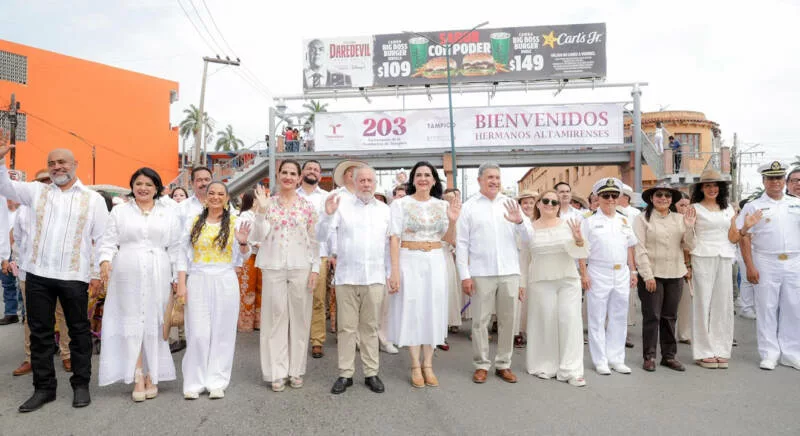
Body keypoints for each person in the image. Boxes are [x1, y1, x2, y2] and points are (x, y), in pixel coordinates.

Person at [0, 140, 109, 413]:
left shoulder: (92, 199)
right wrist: (1, 162)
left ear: (75, 166)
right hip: (38, 275)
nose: (57, 166)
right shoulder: (36, 192)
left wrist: (97, 272)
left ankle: (81, 385)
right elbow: (5, 187)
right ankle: (44, 389)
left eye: (62, 162)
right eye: (52, 162)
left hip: (74, 276)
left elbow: (103, 238)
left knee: (79, 332)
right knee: (40, 334)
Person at [97, 168, 181, 400]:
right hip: (127, 272)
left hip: (159, 271)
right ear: (132, 186)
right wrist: (105, 261)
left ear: (157, 189)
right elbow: (108, 241)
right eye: (138, 183)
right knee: (131, 322)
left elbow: (175, 247)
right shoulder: (120, 211)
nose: (143, 188)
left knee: (155, 321)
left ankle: (153, 374)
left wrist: (176, 278)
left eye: (148, 184)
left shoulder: (168, 214)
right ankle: (137, 374)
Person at [318, 165, 391, 394]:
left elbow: (390, 245)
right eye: (362, 180)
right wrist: (327, 215)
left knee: (370, 328)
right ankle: (345, 374)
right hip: (347, 276)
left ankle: (371, 373)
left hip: (375, 277)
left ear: (375, 183)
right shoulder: (341, 206)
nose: (366, 184)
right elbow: (322, 236)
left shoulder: (384, 210)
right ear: (354, 182)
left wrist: (391, 274)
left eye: (370, 180)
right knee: (346, 329)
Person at [457, 162, 531, 385]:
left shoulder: (510, 204)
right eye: (489, 177)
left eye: (497, 178)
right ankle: (481, 365)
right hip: (481, 273)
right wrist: (464, 275)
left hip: (509, 271)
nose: (494, 181)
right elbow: (461, 244)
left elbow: (529, 238)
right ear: (479, 180)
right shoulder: (469, 207)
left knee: (509, 320)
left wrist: (519, 222)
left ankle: (503, 364)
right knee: (480, 321)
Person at [176, 181, 251, 399]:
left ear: (227, 198)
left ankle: (217, 381)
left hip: (225, 280)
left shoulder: (236, 222)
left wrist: (244, 244)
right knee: (198, 332)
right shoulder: (193, 221)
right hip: (198, 279)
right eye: (212, 193)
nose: (216, 197)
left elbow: (244, 256)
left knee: (222, 332)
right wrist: (181, 283)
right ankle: (194, 381)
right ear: (205, 196)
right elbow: (182, 255)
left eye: (220, 194)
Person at [250, 160, 319, 392]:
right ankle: (276, 371)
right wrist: (260, 212)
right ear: (277, 176)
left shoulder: (308, 206)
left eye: (293, 173)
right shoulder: (267, 204)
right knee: (274, 318)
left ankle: (296, 370)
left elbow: (315, 240)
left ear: (299, 178)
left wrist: (316, 269)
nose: (288, 177)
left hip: (301, 266)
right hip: (273, 266)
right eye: (284, 173)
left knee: (299, 319)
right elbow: (257, 236)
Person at [388, 161, 460, 388]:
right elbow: (394, 238)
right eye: (418, 175)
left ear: (433, 180)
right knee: (412, 310)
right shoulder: (400, 205)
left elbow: (449, 239)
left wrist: (453, 221)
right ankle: (414, 365)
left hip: (435, 261)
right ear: (412, 179)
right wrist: (395, 271)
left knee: (433, 309)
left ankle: (428, 364)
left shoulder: (442, 205)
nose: (423, 178)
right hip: (409, 259)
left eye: (427, 175)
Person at [737, 160, 800, 371]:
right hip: (765, 260)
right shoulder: (753, 206)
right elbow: (743, 237)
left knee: (794, 308)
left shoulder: (796, 203)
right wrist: (749, 266)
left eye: (779, 178)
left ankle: (791, 353)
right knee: (766, 307)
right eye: (771, 178)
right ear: (764, 181)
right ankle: (769, 353)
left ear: (784, 181)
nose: (776, 182)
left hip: (794, 260)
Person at [10, 170, 71, 377]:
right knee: (32, 317)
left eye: (49, 181)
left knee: (63, 314)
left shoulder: (64, 208)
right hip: (30, 271)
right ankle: (30, 358)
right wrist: (20, 263)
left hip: (60, 270)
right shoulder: (24, 210)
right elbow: (18, 239)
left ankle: (66, 354)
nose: (46, 185)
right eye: (43, 182)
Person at [524, 190, 588, 386]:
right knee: (546, 322)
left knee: (570, 321)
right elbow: (523, 259)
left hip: (568, 280)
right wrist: (521, 284)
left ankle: (571, 369)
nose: (550, 204)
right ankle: (546, 364)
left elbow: (580, 252)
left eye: (555, 202)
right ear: (538, 204)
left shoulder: (569, 225)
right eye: (546, 201)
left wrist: (578, 238)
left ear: (559, 206)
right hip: (540, 281)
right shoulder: (529, 228)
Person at [634, 181, 696, 372]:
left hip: (675, 273)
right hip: (652, 274)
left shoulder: (679, 219)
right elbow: (639, 248)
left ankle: (669, 356)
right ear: (651, 198)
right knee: (652, 316)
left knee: (670, 317)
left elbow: (689, 246)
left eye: (667, 196)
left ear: (672, 200)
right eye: (659, 195)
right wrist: (647, 275)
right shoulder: (642, 218)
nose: (663, 198)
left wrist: (690, 227)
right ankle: (650, 356)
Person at [579, 178, 638, 375]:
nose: (611, 199)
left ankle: (616, 358)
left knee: (619, 317)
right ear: (598, 197)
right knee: (596, 318)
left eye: (614, 195)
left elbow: (629, 246)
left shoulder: (624, 219)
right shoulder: (588, 220)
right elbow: (581, 250)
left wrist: (633, 270)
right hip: (598, 271)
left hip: (621, 272)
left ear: (620, 197)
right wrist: (584, 274)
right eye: (606, 196)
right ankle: (600, 360)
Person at [687, 169, 742, 369]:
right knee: (702, 304)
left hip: (725, 256)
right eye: (708, 185)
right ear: (701, 188)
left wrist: (745, 228)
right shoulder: (694, 208)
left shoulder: (729, 209)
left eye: (715, 185)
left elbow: (733, 236)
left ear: (721, 188)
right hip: (702, 256)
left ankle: (720, 348)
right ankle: (703, 351)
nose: (712, 189)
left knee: (723, 304)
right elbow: (688, 239)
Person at [171, 167, 213, 354]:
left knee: (213, 316)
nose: (203, 183)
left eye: (207, 179)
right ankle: (195, 354)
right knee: (193, 316)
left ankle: (210, 355)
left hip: (215, 271)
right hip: (189, 271)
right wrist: (176, 277)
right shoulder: (183, 208)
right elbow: (175, 243)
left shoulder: (224, 205)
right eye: (199, 180)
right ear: (193, 183)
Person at [296, 160, 331, 358]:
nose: (312, 171)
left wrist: (334, 254)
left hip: (320, 255)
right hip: (295, 254)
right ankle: (298, 338)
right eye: (309, 168)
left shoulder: (327, 198)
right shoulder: (292, 195)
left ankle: (317, 340)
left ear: (320, 175)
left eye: (316, 169)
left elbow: (332, 227)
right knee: (296, 299)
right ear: (302, 173)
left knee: (318, 299)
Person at [514, 190, 538, 348]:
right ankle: (517, 332)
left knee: (533, 297)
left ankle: (533, 331)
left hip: (535, 260)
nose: (528, 205)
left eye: (531, 202)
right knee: (519, 297)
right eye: (525, 203)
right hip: (519, 259)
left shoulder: (540, 219)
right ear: (520, 205)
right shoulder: (515, 220)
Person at [235, 189, 262, 332]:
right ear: (252, 200)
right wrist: (255, 243)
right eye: (258, 198)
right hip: (249, 255)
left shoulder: (260, 215)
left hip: (261, 255)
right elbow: (241, 237)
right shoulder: (244, 216)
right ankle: (245, 321)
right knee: (247, 288)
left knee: (260, 288)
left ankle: (258, 320)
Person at [674, 193, 694, 344]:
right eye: (681, 205)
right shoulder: (673, 221)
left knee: (687, 301)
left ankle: (685, 333)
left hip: (692, 264)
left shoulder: (694, 221)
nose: (685, 208)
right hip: (675, 264)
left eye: (688, 205)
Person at [735, 197, 757, 320]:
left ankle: (752, 306)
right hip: (744, 250)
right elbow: (739, 234)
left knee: (756, 280)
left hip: (758, 251)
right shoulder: (742, 217)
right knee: (746, 279)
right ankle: (746, 308)